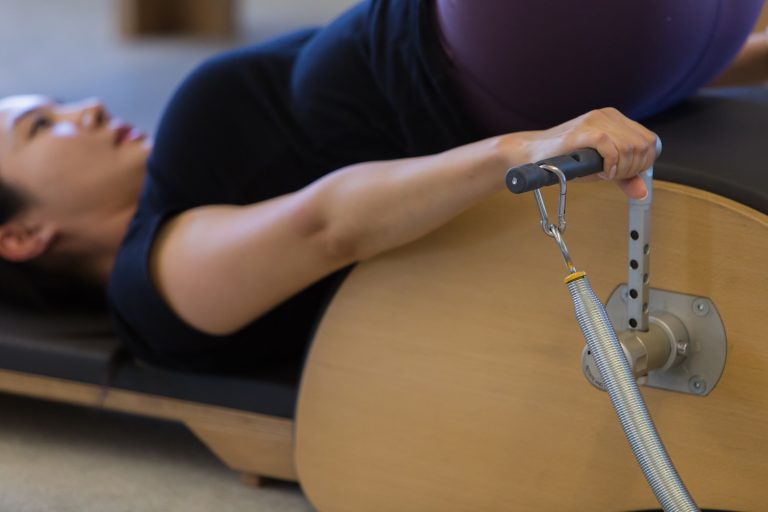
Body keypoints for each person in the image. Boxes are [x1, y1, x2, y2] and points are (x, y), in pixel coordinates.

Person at [0, 0, 760, 372]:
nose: (85, 107)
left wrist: (726, 55)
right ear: (21, 235)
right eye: (41, 127)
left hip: (560, 51)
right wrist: (524, 149)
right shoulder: (150, 288)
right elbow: (325, 224)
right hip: (485, 65)